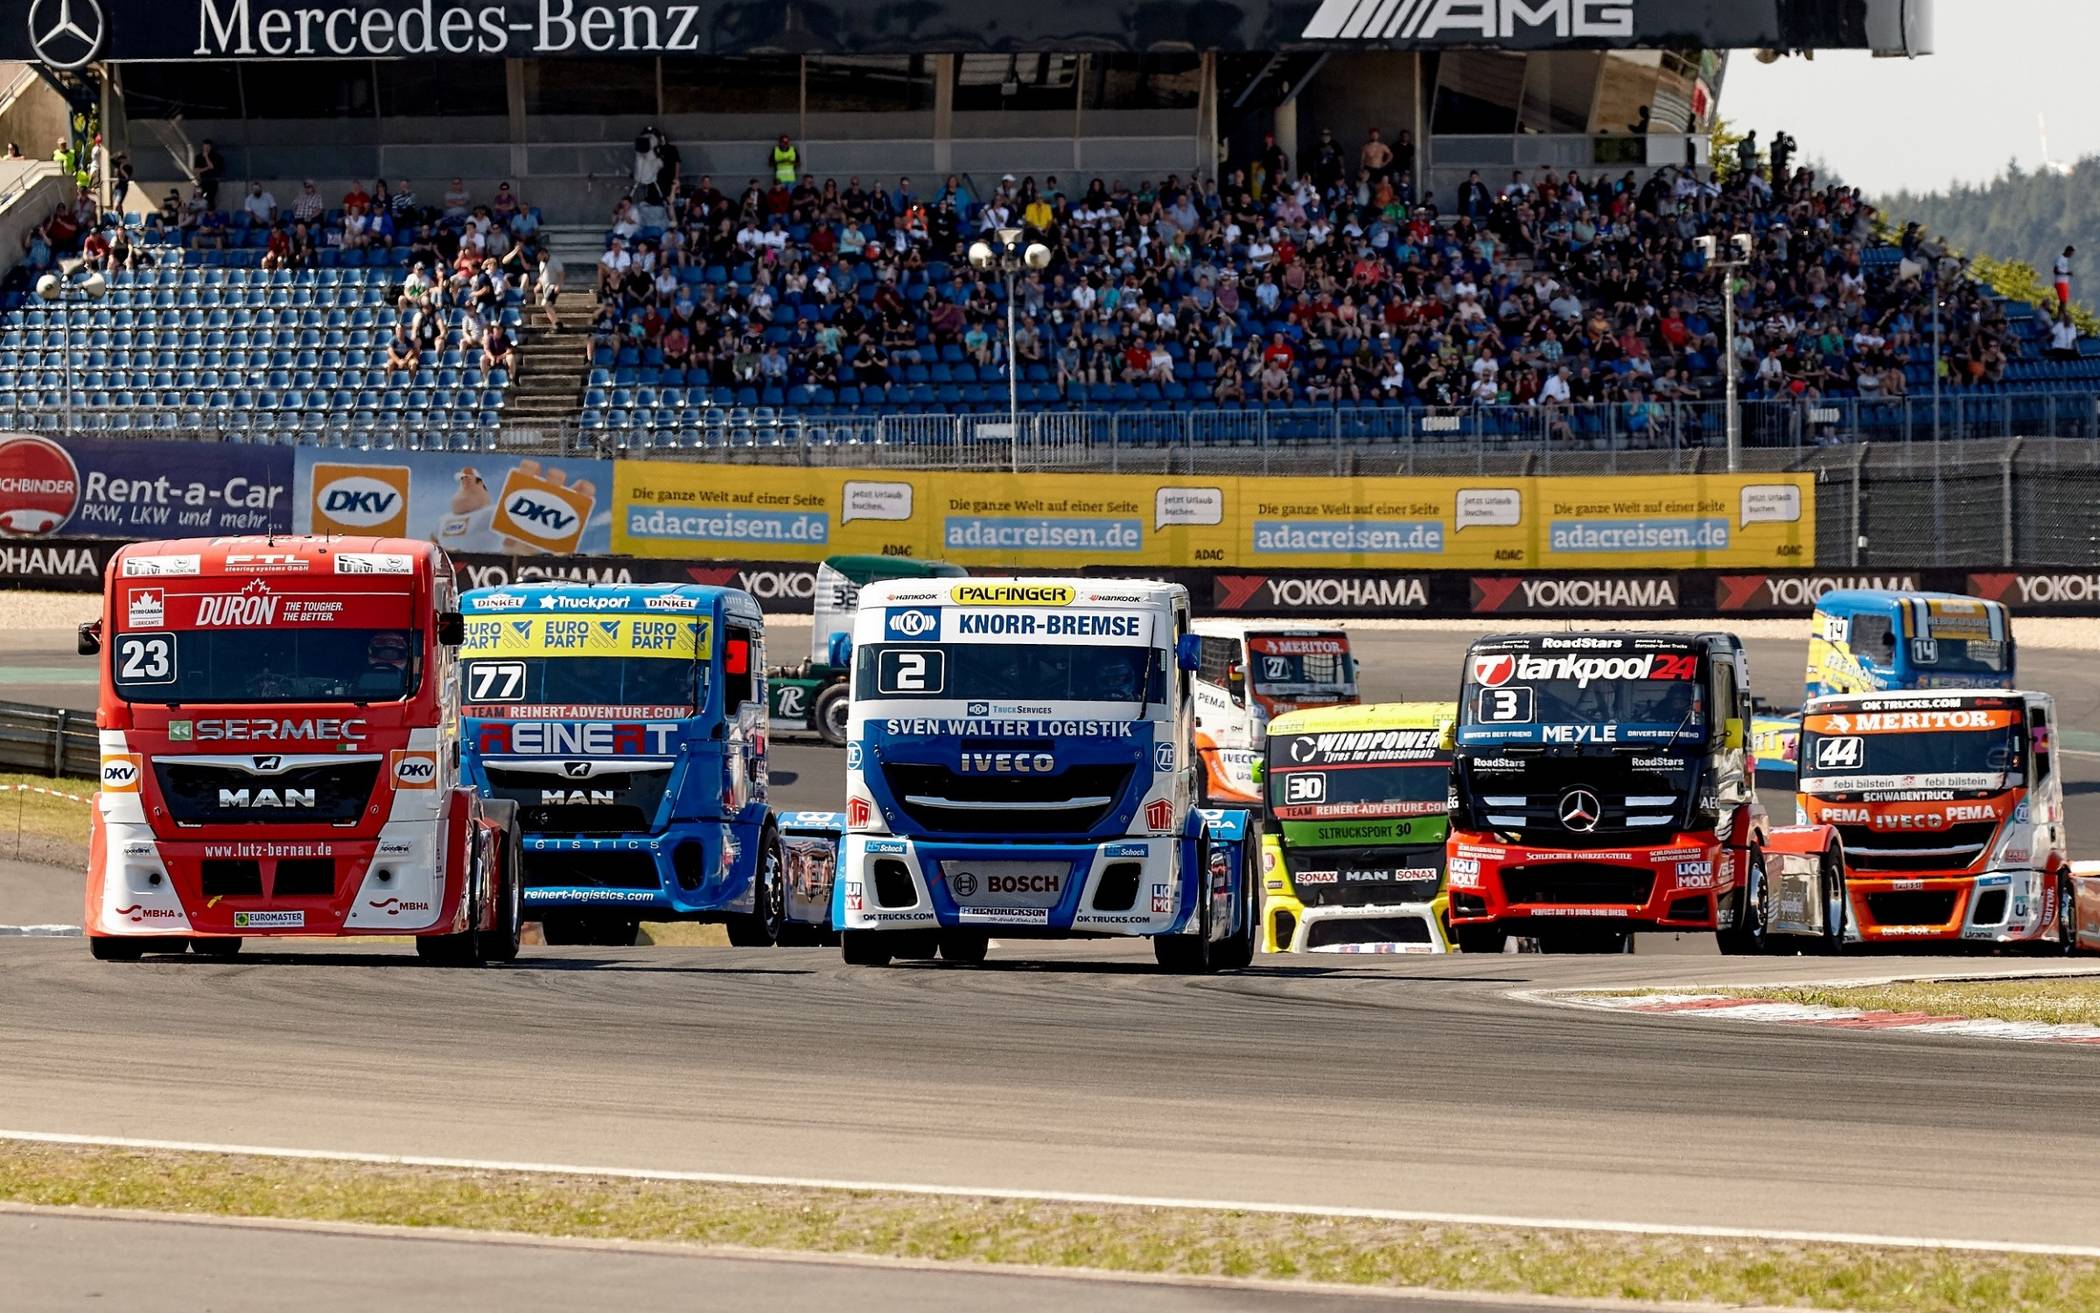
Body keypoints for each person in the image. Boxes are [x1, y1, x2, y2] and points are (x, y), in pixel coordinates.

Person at [357, 632, 411, 696]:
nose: (389, 655)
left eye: (392, 654)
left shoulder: (411, 686)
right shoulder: (360, 680)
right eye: (385, 654)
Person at [193, 139, 224, 208]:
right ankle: (195, 213)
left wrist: (206, 157)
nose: (206, 149)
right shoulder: (198, 157)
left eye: (207, 147)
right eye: (204, 147)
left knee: (210, 199)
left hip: (212, 181)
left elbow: (212, 167)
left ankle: (209, 213)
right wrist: (206, 168)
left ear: (210, 147)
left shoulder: (216, 156)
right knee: (196, 197)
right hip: (201, 181)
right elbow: (196, 170)